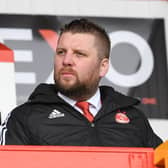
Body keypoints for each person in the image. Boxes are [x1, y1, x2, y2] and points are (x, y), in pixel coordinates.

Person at [0, 18, 162, 147]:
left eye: (79, 54)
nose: (67, 60)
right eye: (61, 52)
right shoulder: (24, 117)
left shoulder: (134, 119)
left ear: (103, 67)